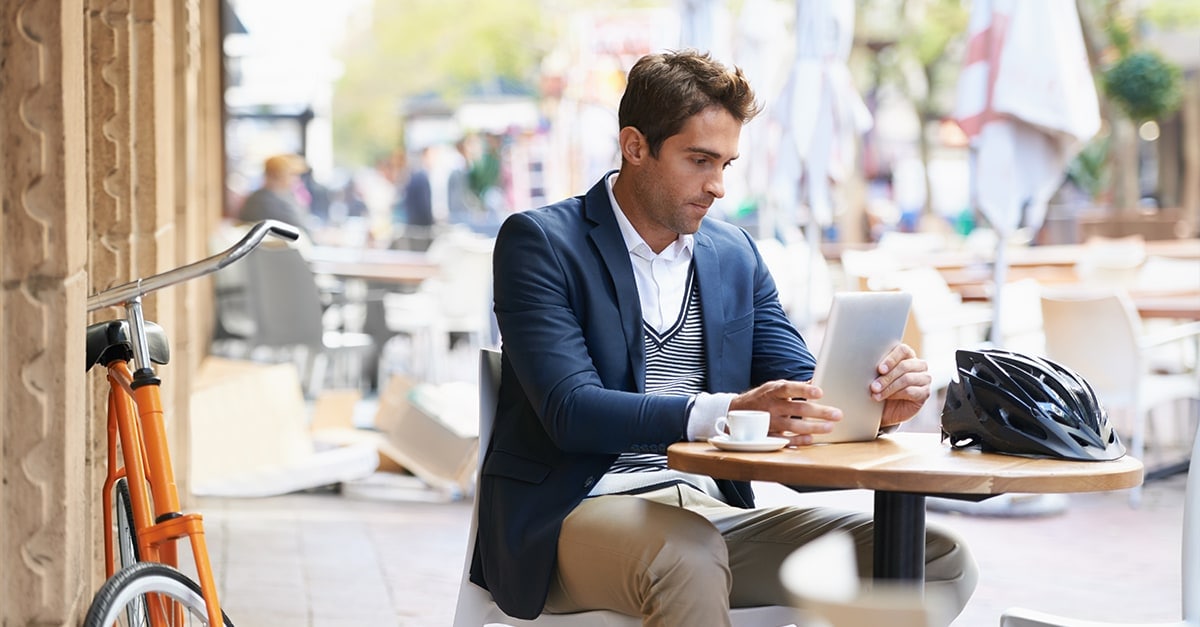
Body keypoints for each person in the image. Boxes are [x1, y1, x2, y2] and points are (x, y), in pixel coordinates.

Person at [470, 49, 978, 626]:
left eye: (726, 165)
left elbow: (802, 393)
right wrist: (724, 412)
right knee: (686, 554)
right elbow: (570, 410)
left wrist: (877, 402)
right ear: (635, 146)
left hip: (711, 510)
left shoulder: (733, 254)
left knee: (933, 558)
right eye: (699, 160)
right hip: (574, 512)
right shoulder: (541, 243)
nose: (717, 187)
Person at [237, 153, 312, 237]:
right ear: (278, 175)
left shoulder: (285, 195)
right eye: (293, 174)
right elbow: (299, 230)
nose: (297, 179)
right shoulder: (263, 200)